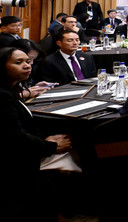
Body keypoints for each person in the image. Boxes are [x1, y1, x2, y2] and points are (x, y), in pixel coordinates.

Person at [0, 46, 74, 220]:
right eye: (19, 62)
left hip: (24, 149)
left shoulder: (11, 90)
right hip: (15, 162)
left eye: (28, 61)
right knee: (72, 153)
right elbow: (14, 137)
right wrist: (51, 146)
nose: (27, 65)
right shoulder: (3, 96)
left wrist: (45, 140)